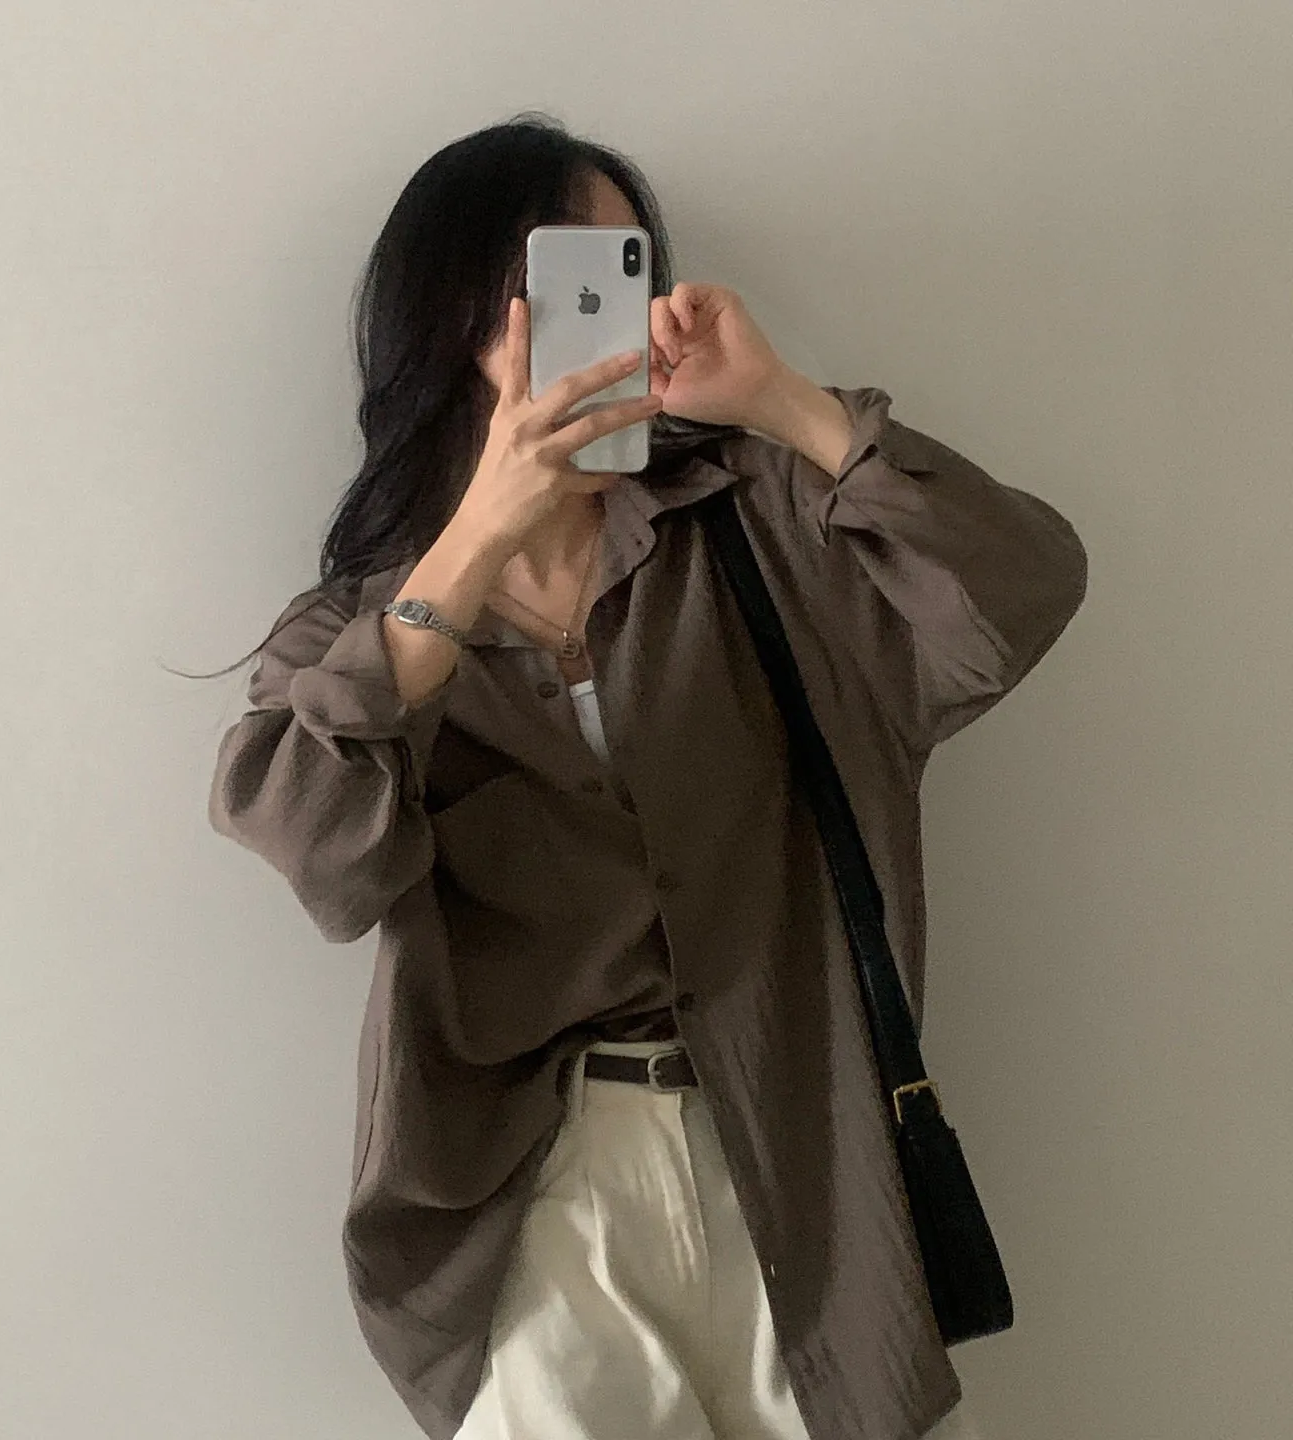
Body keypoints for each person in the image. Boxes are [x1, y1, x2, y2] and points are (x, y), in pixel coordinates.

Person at [203, 111, 1088, 1440]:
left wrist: (783, 403)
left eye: (624, 271)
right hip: (538, 1195)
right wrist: (474, 543)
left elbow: (1019, 593)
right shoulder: (356, 630)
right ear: (454, 314)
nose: (599, 313)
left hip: (808, 1156)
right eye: (556, 276)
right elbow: (323, 856)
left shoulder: (763, 528)